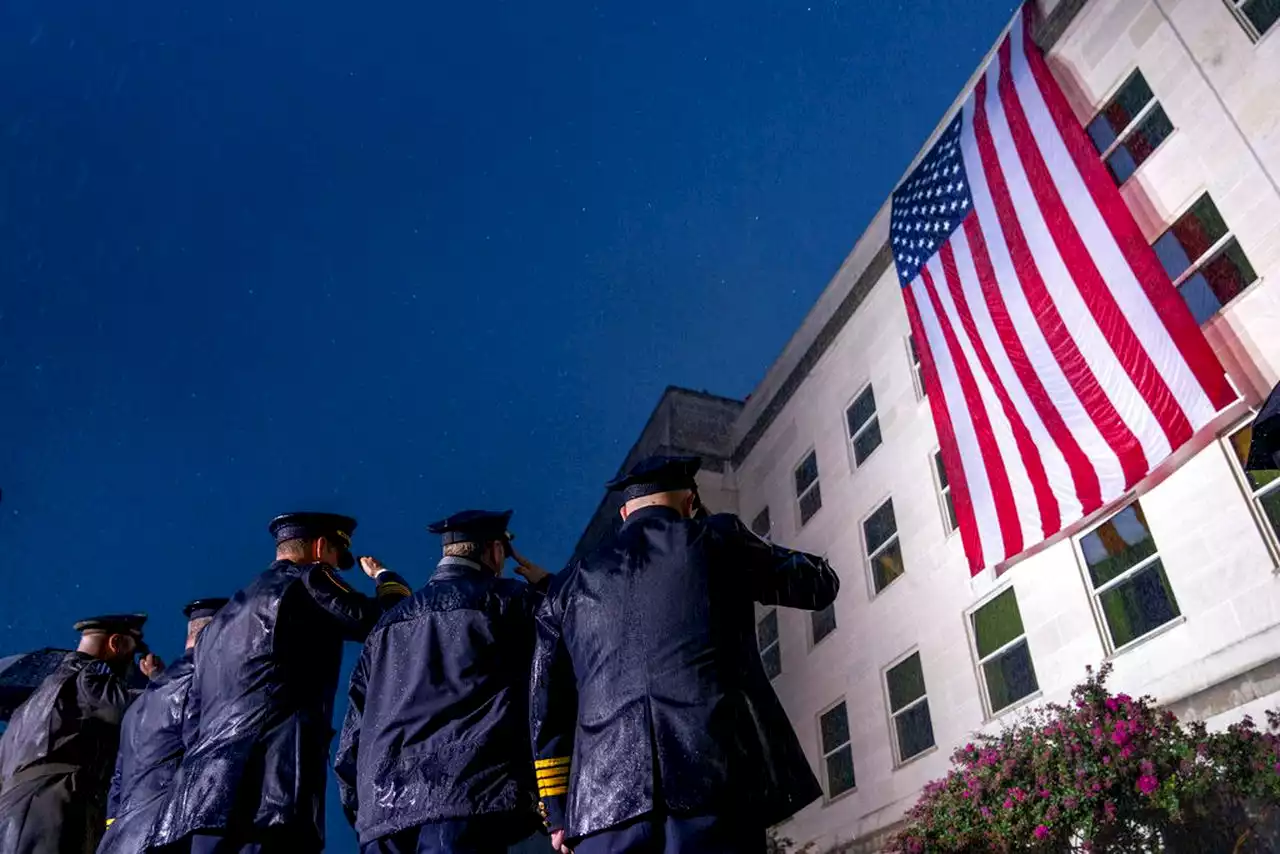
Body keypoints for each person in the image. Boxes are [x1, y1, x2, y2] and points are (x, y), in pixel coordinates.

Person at [529, 455, 841, 854]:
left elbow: (546, 706)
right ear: (690, 501)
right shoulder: (718, 539)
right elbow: (818, 585)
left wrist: (558, 813)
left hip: (602, 806)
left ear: (624, 512)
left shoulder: (567, 586)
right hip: (712, 783)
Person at [149, 512, 412, 854]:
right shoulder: (308, 580)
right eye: (335, 558)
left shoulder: (219, 622)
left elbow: (192, 721)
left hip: (201, 796)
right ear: (320, 547)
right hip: (269, 789)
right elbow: (386, 623)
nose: (334, 568)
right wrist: (387, 581)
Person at [335, 509, 554, 854]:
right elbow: (561, 664)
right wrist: (549, 586)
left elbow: (354, 732)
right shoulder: (510, 602)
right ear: (495, 551)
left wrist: (362, 811)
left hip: (383, 813)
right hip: (465, 801)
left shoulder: (384, 627)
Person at [0, 614, 162, 854]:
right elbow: (146, 709)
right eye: (134, 653)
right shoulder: (89, 679)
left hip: (12, 815)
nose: (134, 663)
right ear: (115, 643)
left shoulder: (31, 701)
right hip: (53, 810)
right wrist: (159, 680)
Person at [96, 598, 229, 854]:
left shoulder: (139, 705)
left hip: (119, 842)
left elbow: (117, 785)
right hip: (163, 837)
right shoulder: (205, 688)